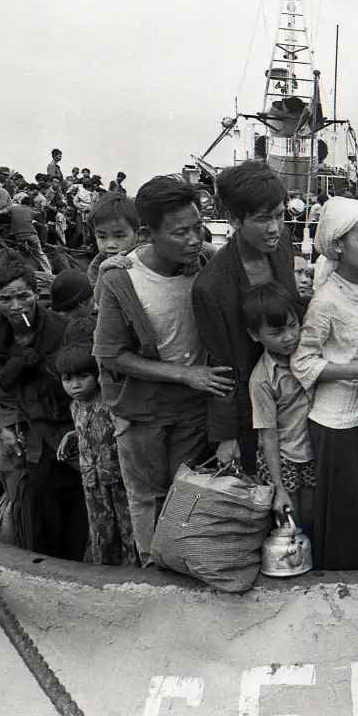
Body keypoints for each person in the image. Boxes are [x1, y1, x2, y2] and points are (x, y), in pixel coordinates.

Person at [94, 177, 233, 565]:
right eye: (180, 232)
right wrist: (185, 374)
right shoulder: (122, 279)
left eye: (197, 227)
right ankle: (152, 570)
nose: (193, 239)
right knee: (146, 495)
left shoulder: (204, 261)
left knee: (185, 490)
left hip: (192, 406)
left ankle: (184, 562)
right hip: (143, 410)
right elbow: (111, 355)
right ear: (146, 234)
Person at [0, 259, 85, 558]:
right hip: (20, 444)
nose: (16, 306)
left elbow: (87, 384)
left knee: (76, 514)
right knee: (34, 517)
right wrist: (3, 424)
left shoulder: (63, 331)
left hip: (67, 434)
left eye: (23, 296)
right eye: (6, 299)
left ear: (37, 294)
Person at [291, 197, 358, 571]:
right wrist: (354, 372)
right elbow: (303, 361)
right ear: (338, 246)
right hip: (335, 422)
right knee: (343, 509)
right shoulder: (326, 300)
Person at [193, 161, 300, 474]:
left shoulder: (283, 246)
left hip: (295, 393)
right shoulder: (210, 287)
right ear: (233, 219)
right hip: (250, 408)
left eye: (280, 215)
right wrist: (226, 437)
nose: (275, 228)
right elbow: (222, 367)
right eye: (262, 219)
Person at [55, 337, 139, 567]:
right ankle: (104, 573)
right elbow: (85, 427)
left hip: (120, 480)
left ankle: (134, 574)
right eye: (68, 379)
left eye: (83, 377)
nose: (75, 385)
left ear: (98, 376)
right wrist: (72, 435)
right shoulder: (76, 407)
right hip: (93, 482)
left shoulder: (112, 405)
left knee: (129, 529)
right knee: (102, 529)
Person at [244, 282, 315, 535]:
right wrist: (279, 488)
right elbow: (268, 435)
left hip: (313, 450)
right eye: (277, 333)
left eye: (293, 325)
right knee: (290, 522)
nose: (289, 337)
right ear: (255, 336)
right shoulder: (263, 379)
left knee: (313, 514)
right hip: (283, 459)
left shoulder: (311, 355)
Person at [86, 193, 141, 286]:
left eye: (119, 236)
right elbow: (98, 299)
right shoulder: (96, 267)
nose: (111, 245)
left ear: (139, 234)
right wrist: (101, 273)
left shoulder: (148, 260)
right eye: (102, 237)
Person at [0, 194, 52, 272]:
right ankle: (49, 272)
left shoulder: (13, 208)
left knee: (24, 248)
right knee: (40, 253)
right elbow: (40, 219)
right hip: (31, 234)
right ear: (30, 205)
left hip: (18, 235)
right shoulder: (32, 211)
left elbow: (1, 212)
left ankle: (23, 267)